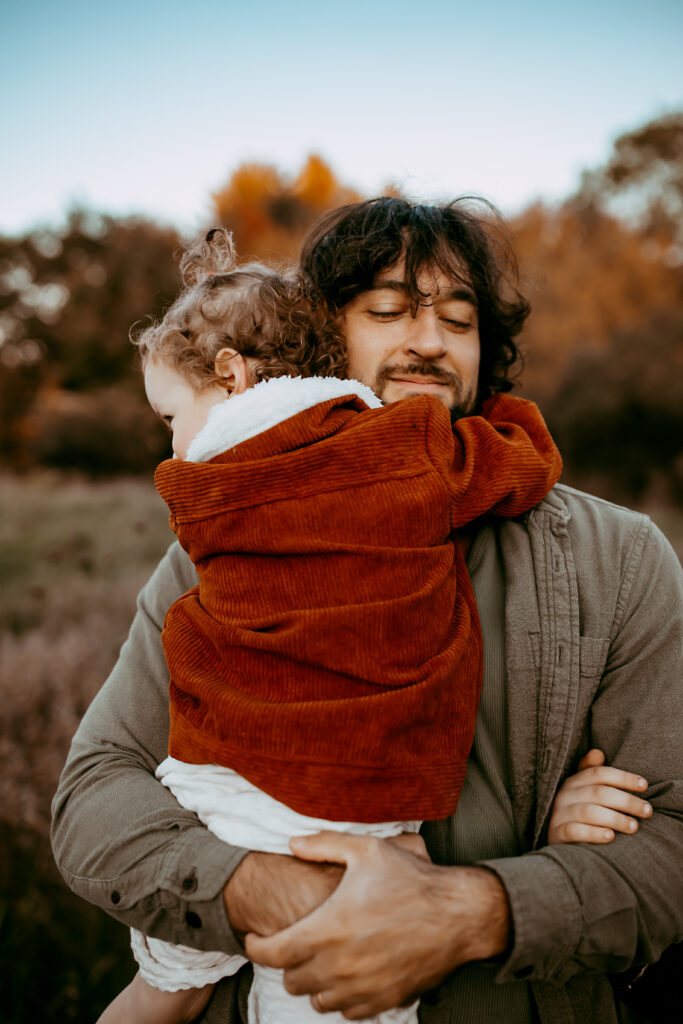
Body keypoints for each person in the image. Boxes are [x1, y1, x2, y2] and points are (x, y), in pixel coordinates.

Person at [51, 197, 683, 1024]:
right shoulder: (220, 549)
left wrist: (477, 906)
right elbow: (95, 795)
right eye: (387, 311)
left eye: (458, 320)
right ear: (314, 339)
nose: (428, 340)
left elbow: (670, 843)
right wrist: (270, 889)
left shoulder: (618, 555)